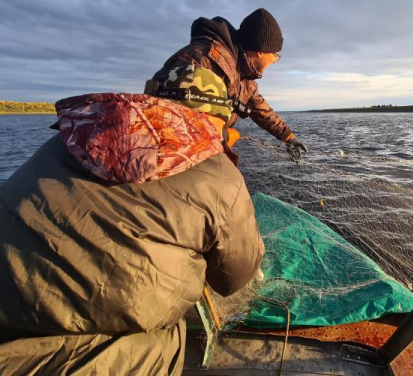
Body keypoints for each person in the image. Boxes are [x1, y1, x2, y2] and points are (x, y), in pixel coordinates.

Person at [0, 70, 264, 375]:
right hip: (65, 361)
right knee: (168, 334)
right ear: (215, 119)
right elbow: (233, 278)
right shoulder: (217, 172)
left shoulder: (67, 139)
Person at [147, 7, 308, 163]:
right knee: (231, 184)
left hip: (202, 151)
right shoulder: (205, 59)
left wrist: (288, 137)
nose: (274, 60)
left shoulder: (244, 76)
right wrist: (226, 136)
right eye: (275, 55)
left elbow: (261, 110)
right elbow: (176, 122)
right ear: (261, 50)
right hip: (162, 154)